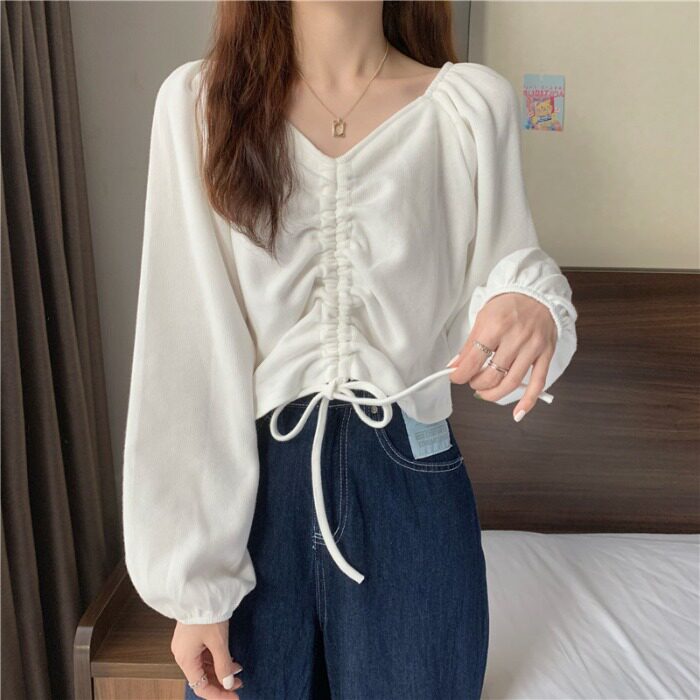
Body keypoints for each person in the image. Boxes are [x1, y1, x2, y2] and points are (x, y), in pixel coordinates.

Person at [122, 2, 578, 699]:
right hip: (252, 496)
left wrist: (533, 309)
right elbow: (183, 347)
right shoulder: (199, 103)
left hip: (413, 484)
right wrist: (195, 585)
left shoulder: (468, 106)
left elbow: (509, 277)